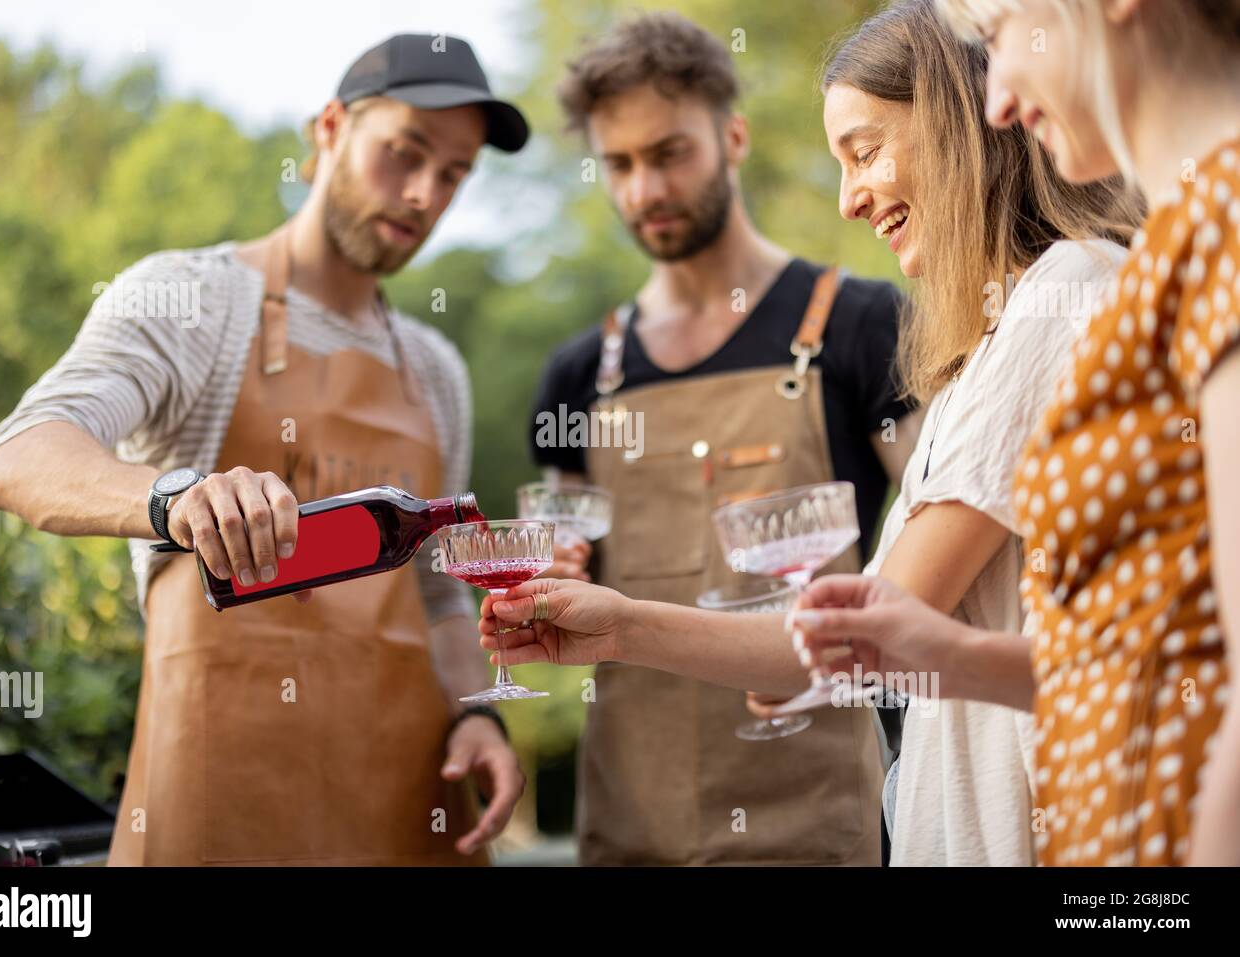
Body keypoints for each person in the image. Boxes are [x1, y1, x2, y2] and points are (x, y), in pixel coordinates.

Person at [491, 0, 1141, 867]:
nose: (848, 198)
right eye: (617, 164)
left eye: (865, 151)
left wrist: (801, 649)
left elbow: (879, 628)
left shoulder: (1056, 299)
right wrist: (615, 622)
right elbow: (863, 634)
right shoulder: (988, 344)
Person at [0, 34, 529, 866]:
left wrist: (478, 713)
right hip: (218, 807)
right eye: (404, 153)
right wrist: (177, 498)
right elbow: (19, 456)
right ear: (331, 128)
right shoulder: (193, 299)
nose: (422, 193)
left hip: (407, 808)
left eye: (453, 174)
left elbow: (439, 595)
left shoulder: (436, 370)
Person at [783, 0, 1240, 866]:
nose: (994, 100)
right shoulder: (1176, 241)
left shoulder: (1189, 236)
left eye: (996, 35)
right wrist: (950, 655)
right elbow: (1133, 655)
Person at [527, 12, 919, 866]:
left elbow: (935, 550)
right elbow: (563, 545)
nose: (645, 190)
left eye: (670, 153)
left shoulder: (860, 324)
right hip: (632, 817)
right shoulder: (578, 374)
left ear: (732, 136)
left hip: (815, 817)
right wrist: (554, 572)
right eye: (620, 164)